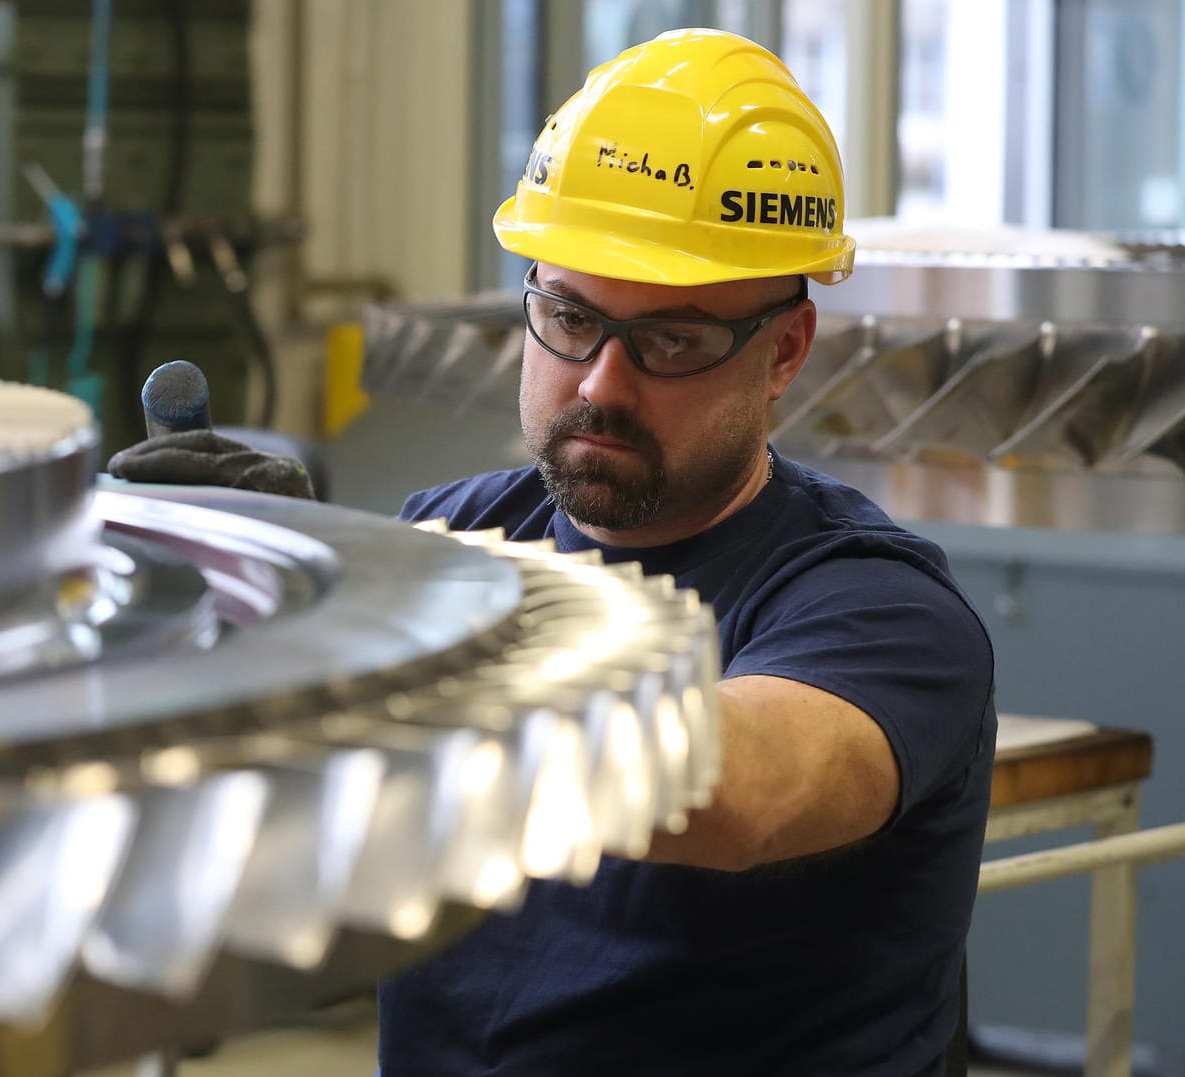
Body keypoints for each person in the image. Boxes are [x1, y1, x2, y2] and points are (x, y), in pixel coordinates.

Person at [112, 28, 995, 1077]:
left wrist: (360, 618)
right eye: (569, 317)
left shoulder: (876, 608)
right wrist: (192, 609)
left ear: (784, 354)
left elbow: (740, 791)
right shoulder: (450, 537)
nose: (600, 386)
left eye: (670, 342)